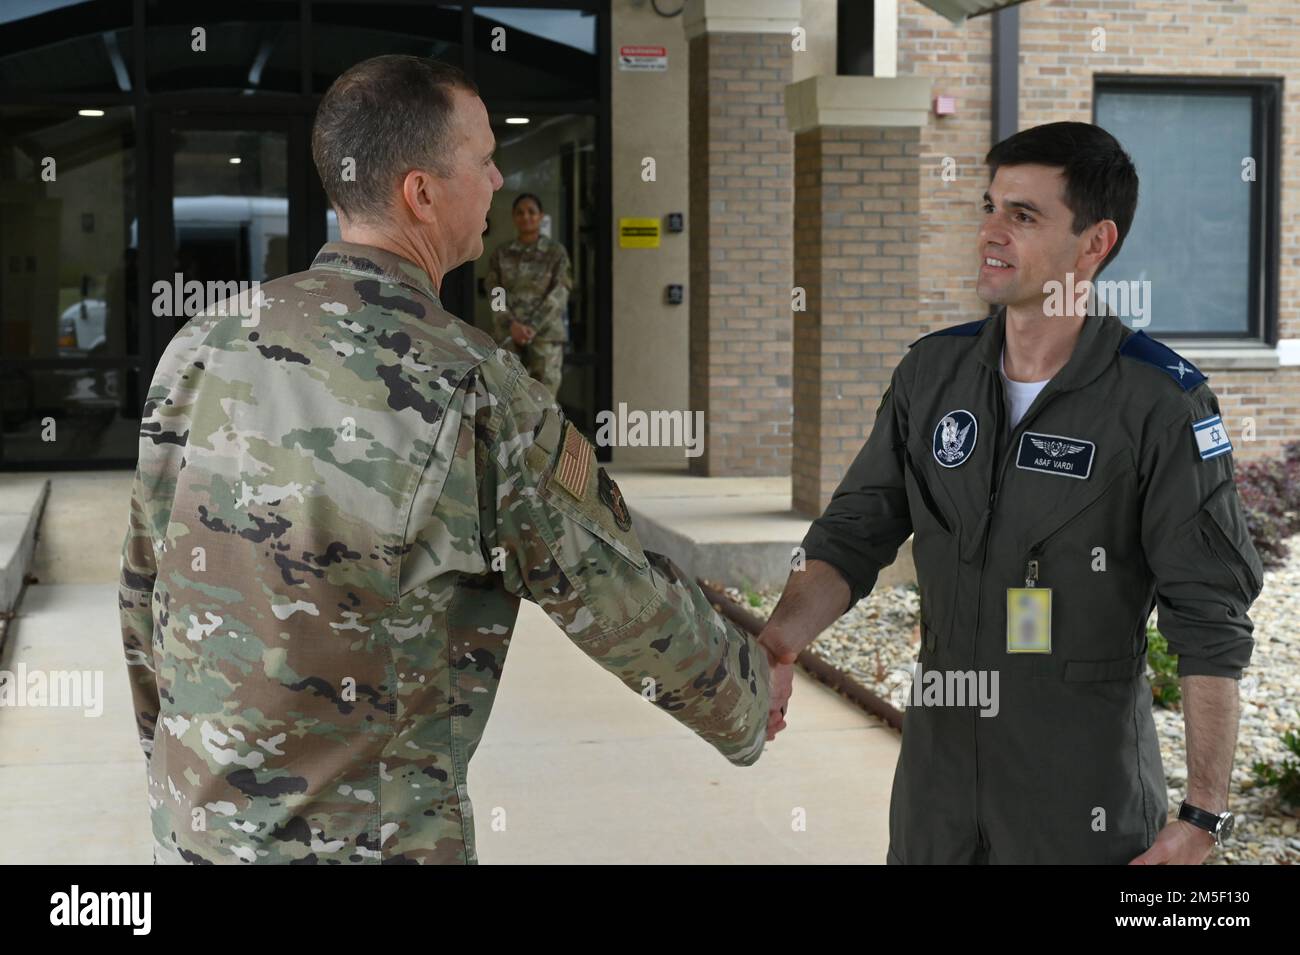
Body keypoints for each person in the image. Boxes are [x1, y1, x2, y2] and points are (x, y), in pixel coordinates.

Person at [118, 54, 791, 865]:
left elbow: (144, 588)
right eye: (484, 158)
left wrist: (174, 774)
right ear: (422, 193)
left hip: (194, 839)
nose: (502, 179)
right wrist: (748, 694)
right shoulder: (472, 386)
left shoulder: (201, 343)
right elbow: (617, 594)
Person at [760, 122, 1263, 865]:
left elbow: (1209, 612)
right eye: (989, 207)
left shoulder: (1160, 403)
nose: (991, 233)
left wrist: (1203, 814)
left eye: (1023, 216)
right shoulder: (931, 377)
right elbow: (852, 534)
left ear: (1095, 244)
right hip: (937, 789)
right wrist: (779, 643)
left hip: (1082, 801)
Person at [484, 193, 571, 397]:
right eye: (520, 212)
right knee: (507, 397)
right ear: (514, 218)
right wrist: (511, 324)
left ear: (541, 216)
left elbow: (560, 293)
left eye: (532, 212)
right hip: (509, 336)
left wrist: (532, 325)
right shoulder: (502, 253)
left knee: (546, 400)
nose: (526, 217)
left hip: (545, 336)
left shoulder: (556, 253)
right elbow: (494, 292)